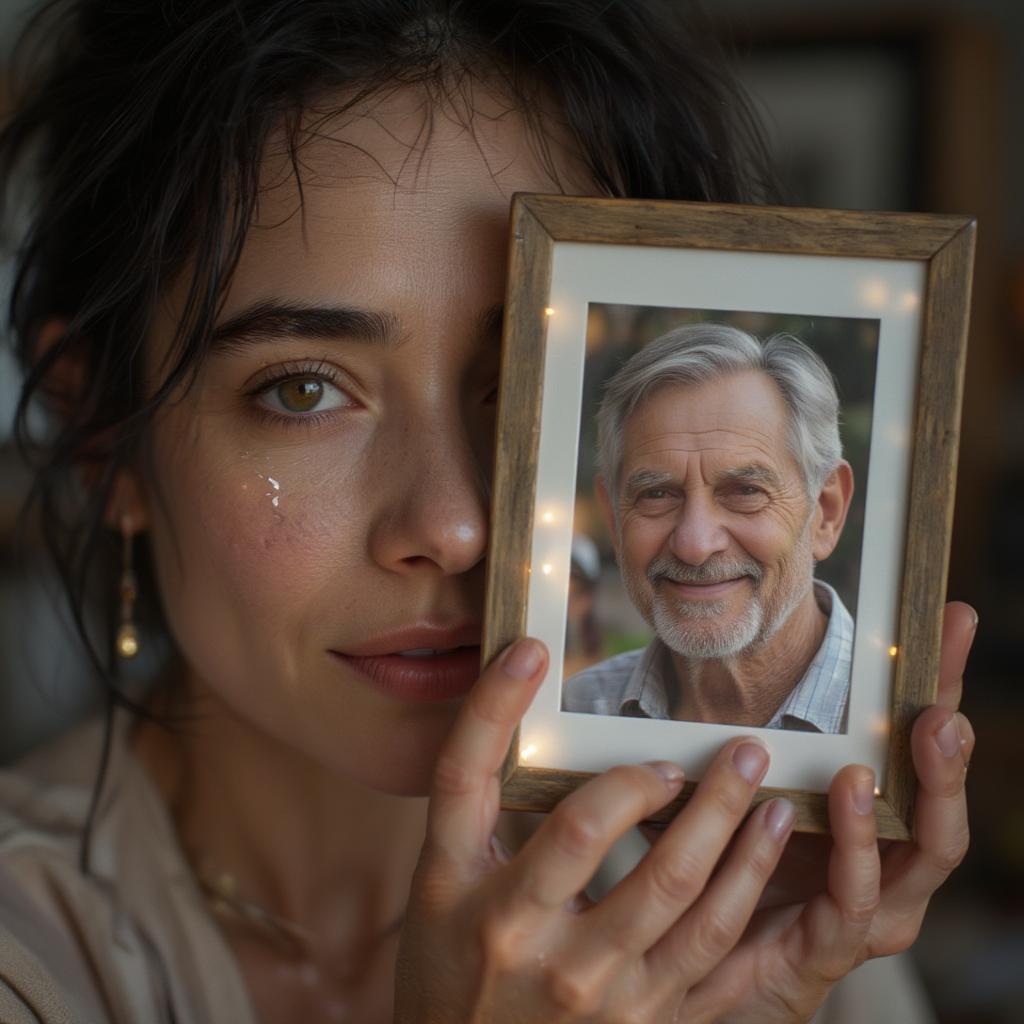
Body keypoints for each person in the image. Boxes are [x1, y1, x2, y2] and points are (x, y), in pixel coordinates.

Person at [0, 2, 974, 1022]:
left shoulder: (752, 915)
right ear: (108, 435)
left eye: (524, 378)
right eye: (301, 389)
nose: (454, 524)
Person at [564, 323, 856, 733]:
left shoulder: (888, 723)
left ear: (825, 512)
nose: (695, 544)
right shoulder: (571, 716)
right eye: (657, 494)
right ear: (613, 519)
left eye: (745, 490)